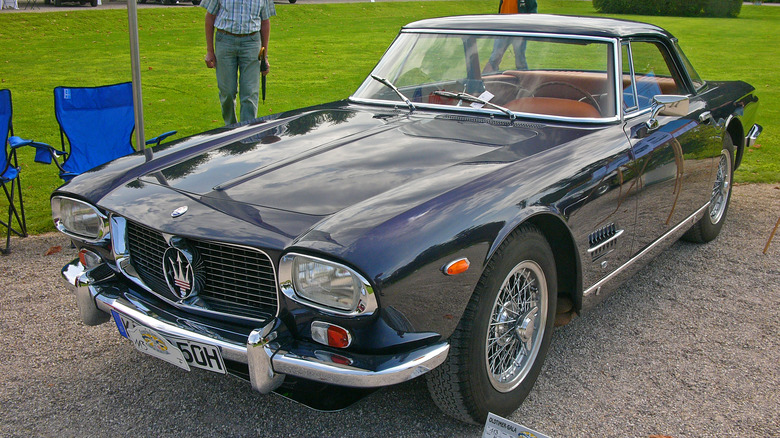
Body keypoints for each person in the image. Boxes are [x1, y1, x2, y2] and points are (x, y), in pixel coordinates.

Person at [201, 0, 276, 125]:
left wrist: (264, 56)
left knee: (250, 93)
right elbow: (210, 17)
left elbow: (265, 22)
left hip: (251, 42)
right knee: (227, 92)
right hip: (225, 40)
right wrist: (210, 51)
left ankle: (246, 135)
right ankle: (231, 130)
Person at [483, 0, 537, 73]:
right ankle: (486, 79)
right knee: (495, 57)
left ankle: (525, 80)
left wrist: (527, 27)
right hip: (503, 29)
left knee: (520, 59)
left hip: (519, 31)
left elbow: (533, 11)